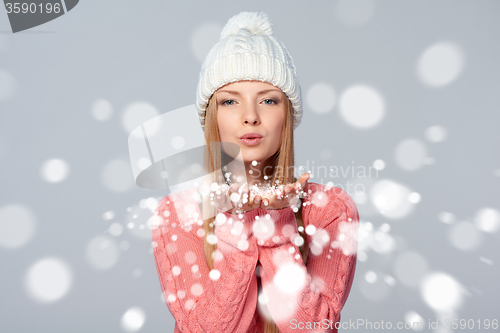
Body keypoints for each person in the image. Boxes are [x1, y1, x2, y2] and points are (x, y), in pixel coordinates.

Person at [152, 11, 359, 333]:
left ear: (287, 116)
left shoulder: (329, 209)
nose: (250, 116)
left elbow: (315, 327)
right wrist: (239, 226)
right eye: (230, 102)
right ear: (212, 117)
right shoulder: (178, 214)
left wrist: (275, 224)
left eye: (269, 101)